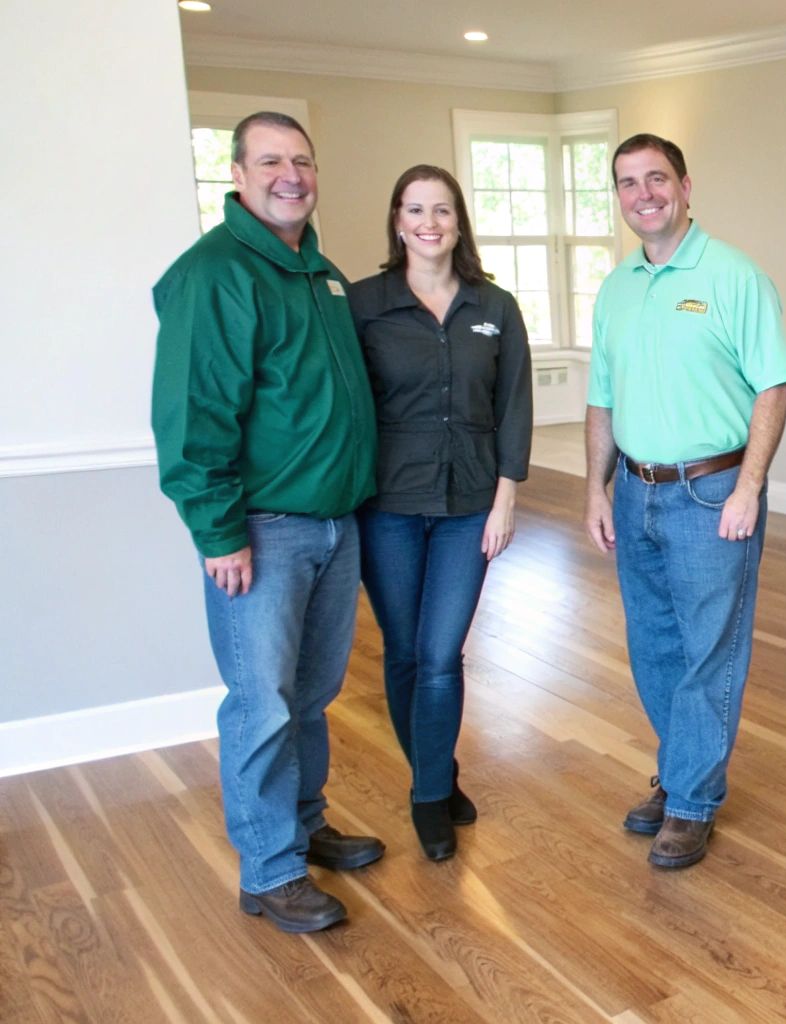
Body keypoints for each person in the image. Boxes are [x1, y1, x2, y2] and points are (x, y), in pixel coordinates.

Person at [152, 111, 383, 934]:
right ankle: (269, 869)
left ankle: (305, 824)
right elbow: (192, 416)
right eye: (272, 162)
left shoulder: (317, 273)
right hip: (264, 532)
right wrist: (219, 534)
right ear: (240, 176)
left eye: (304, 161)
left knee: (312, 696)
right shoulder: (217, 274)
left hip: (334, 525)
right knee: (261, 704)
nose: (292, 175)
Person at [582, 133, 786, 869]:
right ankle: (680, 778)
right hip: (635, 492)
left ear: (685, 186)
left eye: (657, 179)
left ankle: (693, 802)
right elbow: (601, 400)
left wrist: (749, 487)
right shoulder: (615, 289)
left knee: (711, 650)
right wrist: (594, 488)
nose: (644, 194)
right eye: (628, 183)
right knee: (655, 649)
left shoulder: (736, 276)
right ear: (618, 197)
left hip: (712, 494)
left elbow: (775, 385)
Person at [347, 165, 532, 862]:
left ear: (459, 222)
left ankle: (427, 796)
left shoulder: (496, 307)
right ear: (397, 221)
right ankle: (437, 775)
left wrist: (506, 499)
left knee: (440, 654)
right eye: (416, 209)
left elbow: (515, 406)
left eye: (443, 210)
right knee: (403, 654)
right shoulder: (363, 305)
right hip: (386, 508)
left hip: (470, 508)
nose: (430, 222)